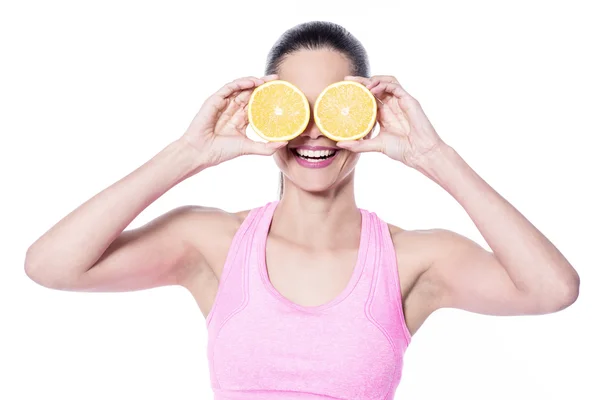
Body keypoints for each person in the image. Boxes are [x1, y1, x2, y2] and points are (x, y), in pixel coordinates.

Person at [24, 21, 580, 399]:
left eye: (334, 107)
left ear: (368, 114)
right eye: (294, 108)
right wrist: (188, 154)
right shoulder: (211, 244)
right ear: (266, 111)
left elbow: (552, 290)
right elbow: (52, 266)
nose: (313, 131)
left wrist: (435, 156)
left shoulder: (413, 260)